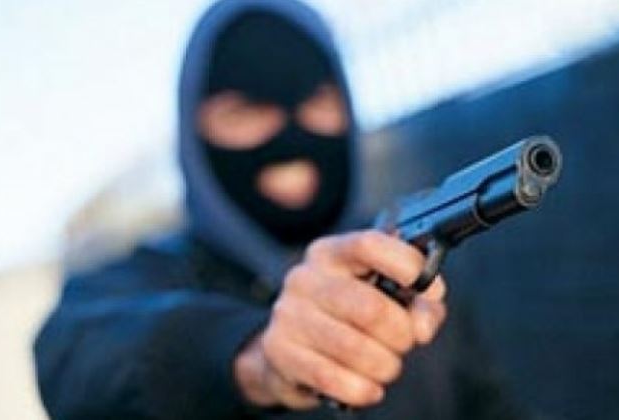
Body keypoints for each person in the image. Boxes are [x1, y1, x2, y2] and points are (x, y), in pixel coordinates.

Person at [35, 0, 524, 418]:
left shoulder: (410, 265)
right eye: (245, 112)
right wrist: (252, 357)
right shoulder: (134, 281)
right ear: (193, 132)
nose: (290, 134)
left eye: (316, 103)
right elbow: (76, 357)